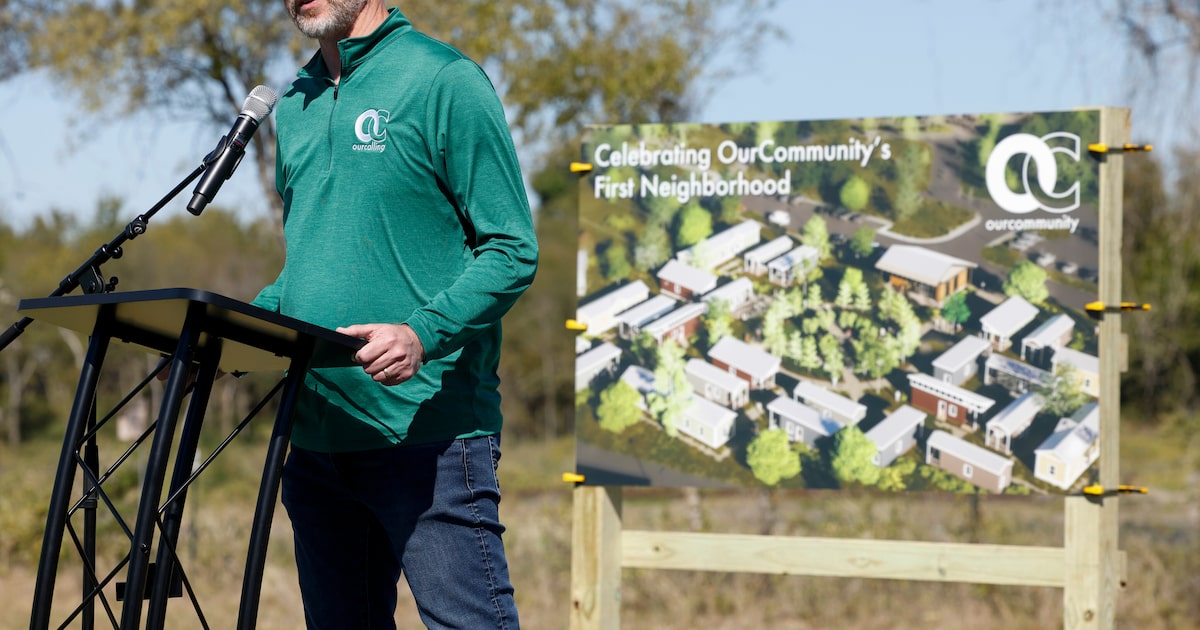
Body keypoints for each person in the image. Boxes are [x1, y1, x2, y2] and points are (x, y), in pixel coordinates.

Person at [252, 0, 538, 627]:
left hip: (428, 439)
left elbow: (512, 248)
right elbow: (307, 269)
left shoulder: (443, 79)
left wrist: (421, 333)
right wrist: (233, 336)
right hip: (317, 440)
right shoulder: (294, 102)